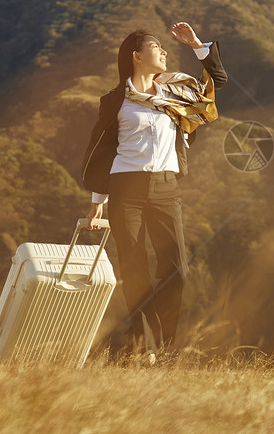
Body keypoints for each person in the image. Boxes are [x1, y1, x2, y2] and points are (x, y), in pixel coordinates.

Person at [81, 22, 227, 351]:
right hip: (124, 189)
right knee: (135, 271)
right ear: (136, 56)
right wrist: (97, 201)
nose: (163, 51)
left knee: (178, 269)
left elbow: (216, 81)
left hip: (165, 187)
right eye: (155, 47)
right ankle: (144, 348)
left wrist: (195, 45)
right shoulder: (114, 101)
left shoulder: (176, 92)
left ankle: (168, 344)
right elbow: (102, 150)